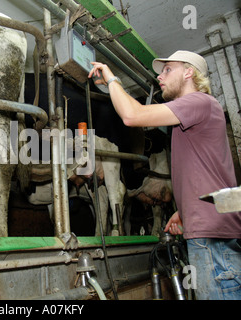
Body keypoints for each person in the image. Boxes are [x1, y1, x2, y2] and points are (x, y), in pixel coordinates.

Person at [88, 50, 241, 300]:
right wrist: (187, 211)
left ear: (189, 72)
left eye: (168, 70)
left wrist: (113, 79)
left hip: (212, 238)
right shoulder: (197, 112)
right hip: (212, 234)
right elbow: (210, 172)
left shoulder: (199, 101)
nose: (160, 77)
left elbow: (132, 116)